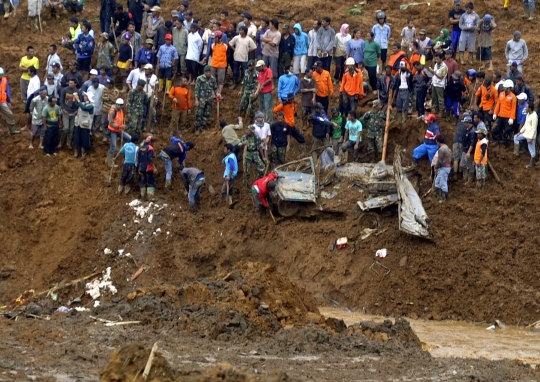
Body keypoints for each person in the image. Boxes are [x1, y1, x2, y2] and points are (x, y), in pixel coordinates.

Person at [107, 98, 131, 168]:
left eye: (121, 105)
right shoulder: (112, 111)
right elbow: (111, 123)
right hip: (113, 131)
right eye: (119, 105)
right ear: (116, 104)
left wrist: (124, 124)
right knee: (113, 146)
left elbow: (121, 120)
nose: (120, 106)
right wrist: (119, 127)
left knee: (129, 138)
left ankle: (124, 152)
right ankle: (109, 162)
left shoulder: (121, 111)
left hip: (119, 130)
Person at [492, 79, 517, 146]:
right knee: (495, 129)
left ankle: (505, 143)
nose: (504, 88)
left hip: (508, 117)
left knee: (507, 131)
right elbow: (498, 104)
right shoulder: (501, 94)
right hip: (500, 116)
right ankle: (496, 140)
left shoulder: (513, 97)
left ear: (509, 88)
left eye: (505, 87)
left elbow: (513, 108)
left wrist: (512, 118)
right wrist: (495, 113)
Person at [514, 101, 537, 167]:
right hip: (526, 133)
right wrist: (520, 132)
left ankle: (532, 163)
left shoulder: (534, 117)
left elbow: (534, 129)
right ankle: (516, 153)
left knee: (531, 150)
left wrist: (530, 138)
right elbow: (525, 125)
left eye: (527, 107)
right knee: (516, 137)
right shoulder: (528, 114)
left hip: (530, 136)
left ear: (530, 108)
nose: (526, 108)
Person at [72, 91, 94, 158]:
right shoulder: (82, 103)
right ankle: (76, 151)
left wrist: (78, 100)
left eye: (85, 96)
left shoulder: (91, 106)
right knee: (76, 137)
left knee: (84, 138)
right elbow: (74, 106)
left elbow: (84, 108)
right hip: (78, 123)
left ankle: (83, 151)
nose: (84, 97)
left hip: (85, 125)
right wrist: (74, 99)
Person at [427, 54, 448, 118]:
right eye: (435, 59)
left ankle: (441, 112)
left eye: (437, 59)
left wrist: (433, 72)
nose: (436, 60)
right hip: (435, 84)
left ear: (441, 59)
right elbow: (434, 76)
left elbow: (441, 77)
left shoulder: (444, 67)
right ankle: (435, 110)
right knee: (434, 98)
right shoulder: (436, 65)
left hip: (440, 85)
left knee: (440, 99)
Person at [207, 30, 228, 95]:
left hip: (222, 65)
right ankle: (213, 93)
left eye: (215, 38)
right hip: (213, 64)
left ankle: (219, 93)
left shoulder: (225, 46)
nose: (214, 39)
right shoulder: (213, 45)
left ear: (220, 38)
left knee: (220, 80)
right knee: (212, 79)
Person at [0, 68, 19, 135]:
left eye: (2, 74)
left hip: (2, 101)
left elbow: (7, 91)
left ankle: (12, 130)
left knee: (9, 114)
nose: (1, 76)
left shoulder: (4, 80)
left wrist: (8, 101)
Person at [433, 136, 452, 203]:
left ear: (438, 141)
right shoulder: (446, 147)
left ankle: (444, 198)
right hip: (446, 167)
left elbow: (440, 160)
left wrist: (436, 167)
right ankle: (439, 196)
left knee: (443, 183)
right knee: (437, 182)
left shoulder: (441, 150)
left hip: (444, 168)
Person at [460, 115, 477, 184]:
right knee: (463, 164)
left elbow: (472, 143)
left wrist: (469, 152)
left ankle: (470, 180)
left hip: (469, 151)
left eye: (465, 122)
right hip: (465, 149)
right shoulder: (467, 129)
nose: (464, 124)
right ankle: (465, 177)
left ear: (468, 123)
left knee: (470, 166)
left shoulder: (473, 131)